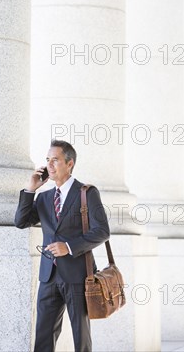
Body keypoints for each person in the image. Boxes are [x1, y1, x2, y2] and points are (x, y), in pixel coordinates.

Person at [14, 140, 110, 352]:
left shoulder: (86, 193)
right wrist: (31, 189)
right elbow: (21, 222)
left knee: (80, 336)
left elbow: (102, 231)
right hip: (48, 275)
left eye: (55, 160)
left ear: (69, 163)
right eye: (48, 160)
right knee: (43, 335)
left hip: (77, 275)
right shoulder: (44, 197)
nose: (50, 164)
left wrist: (69, 246)